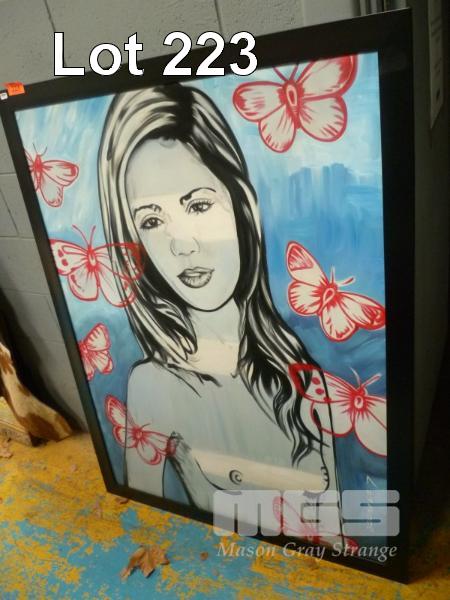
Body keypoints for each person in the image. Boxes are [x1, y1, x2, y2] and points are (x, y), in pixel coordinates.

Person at [97, 83, 339, 515]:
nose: (182, 245)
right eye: (151, 221)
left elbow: (335, 528)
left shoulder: (302, 376)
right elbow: (145, 520)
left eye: (198, 206)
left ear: (241, 203)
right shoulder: (155, 386)